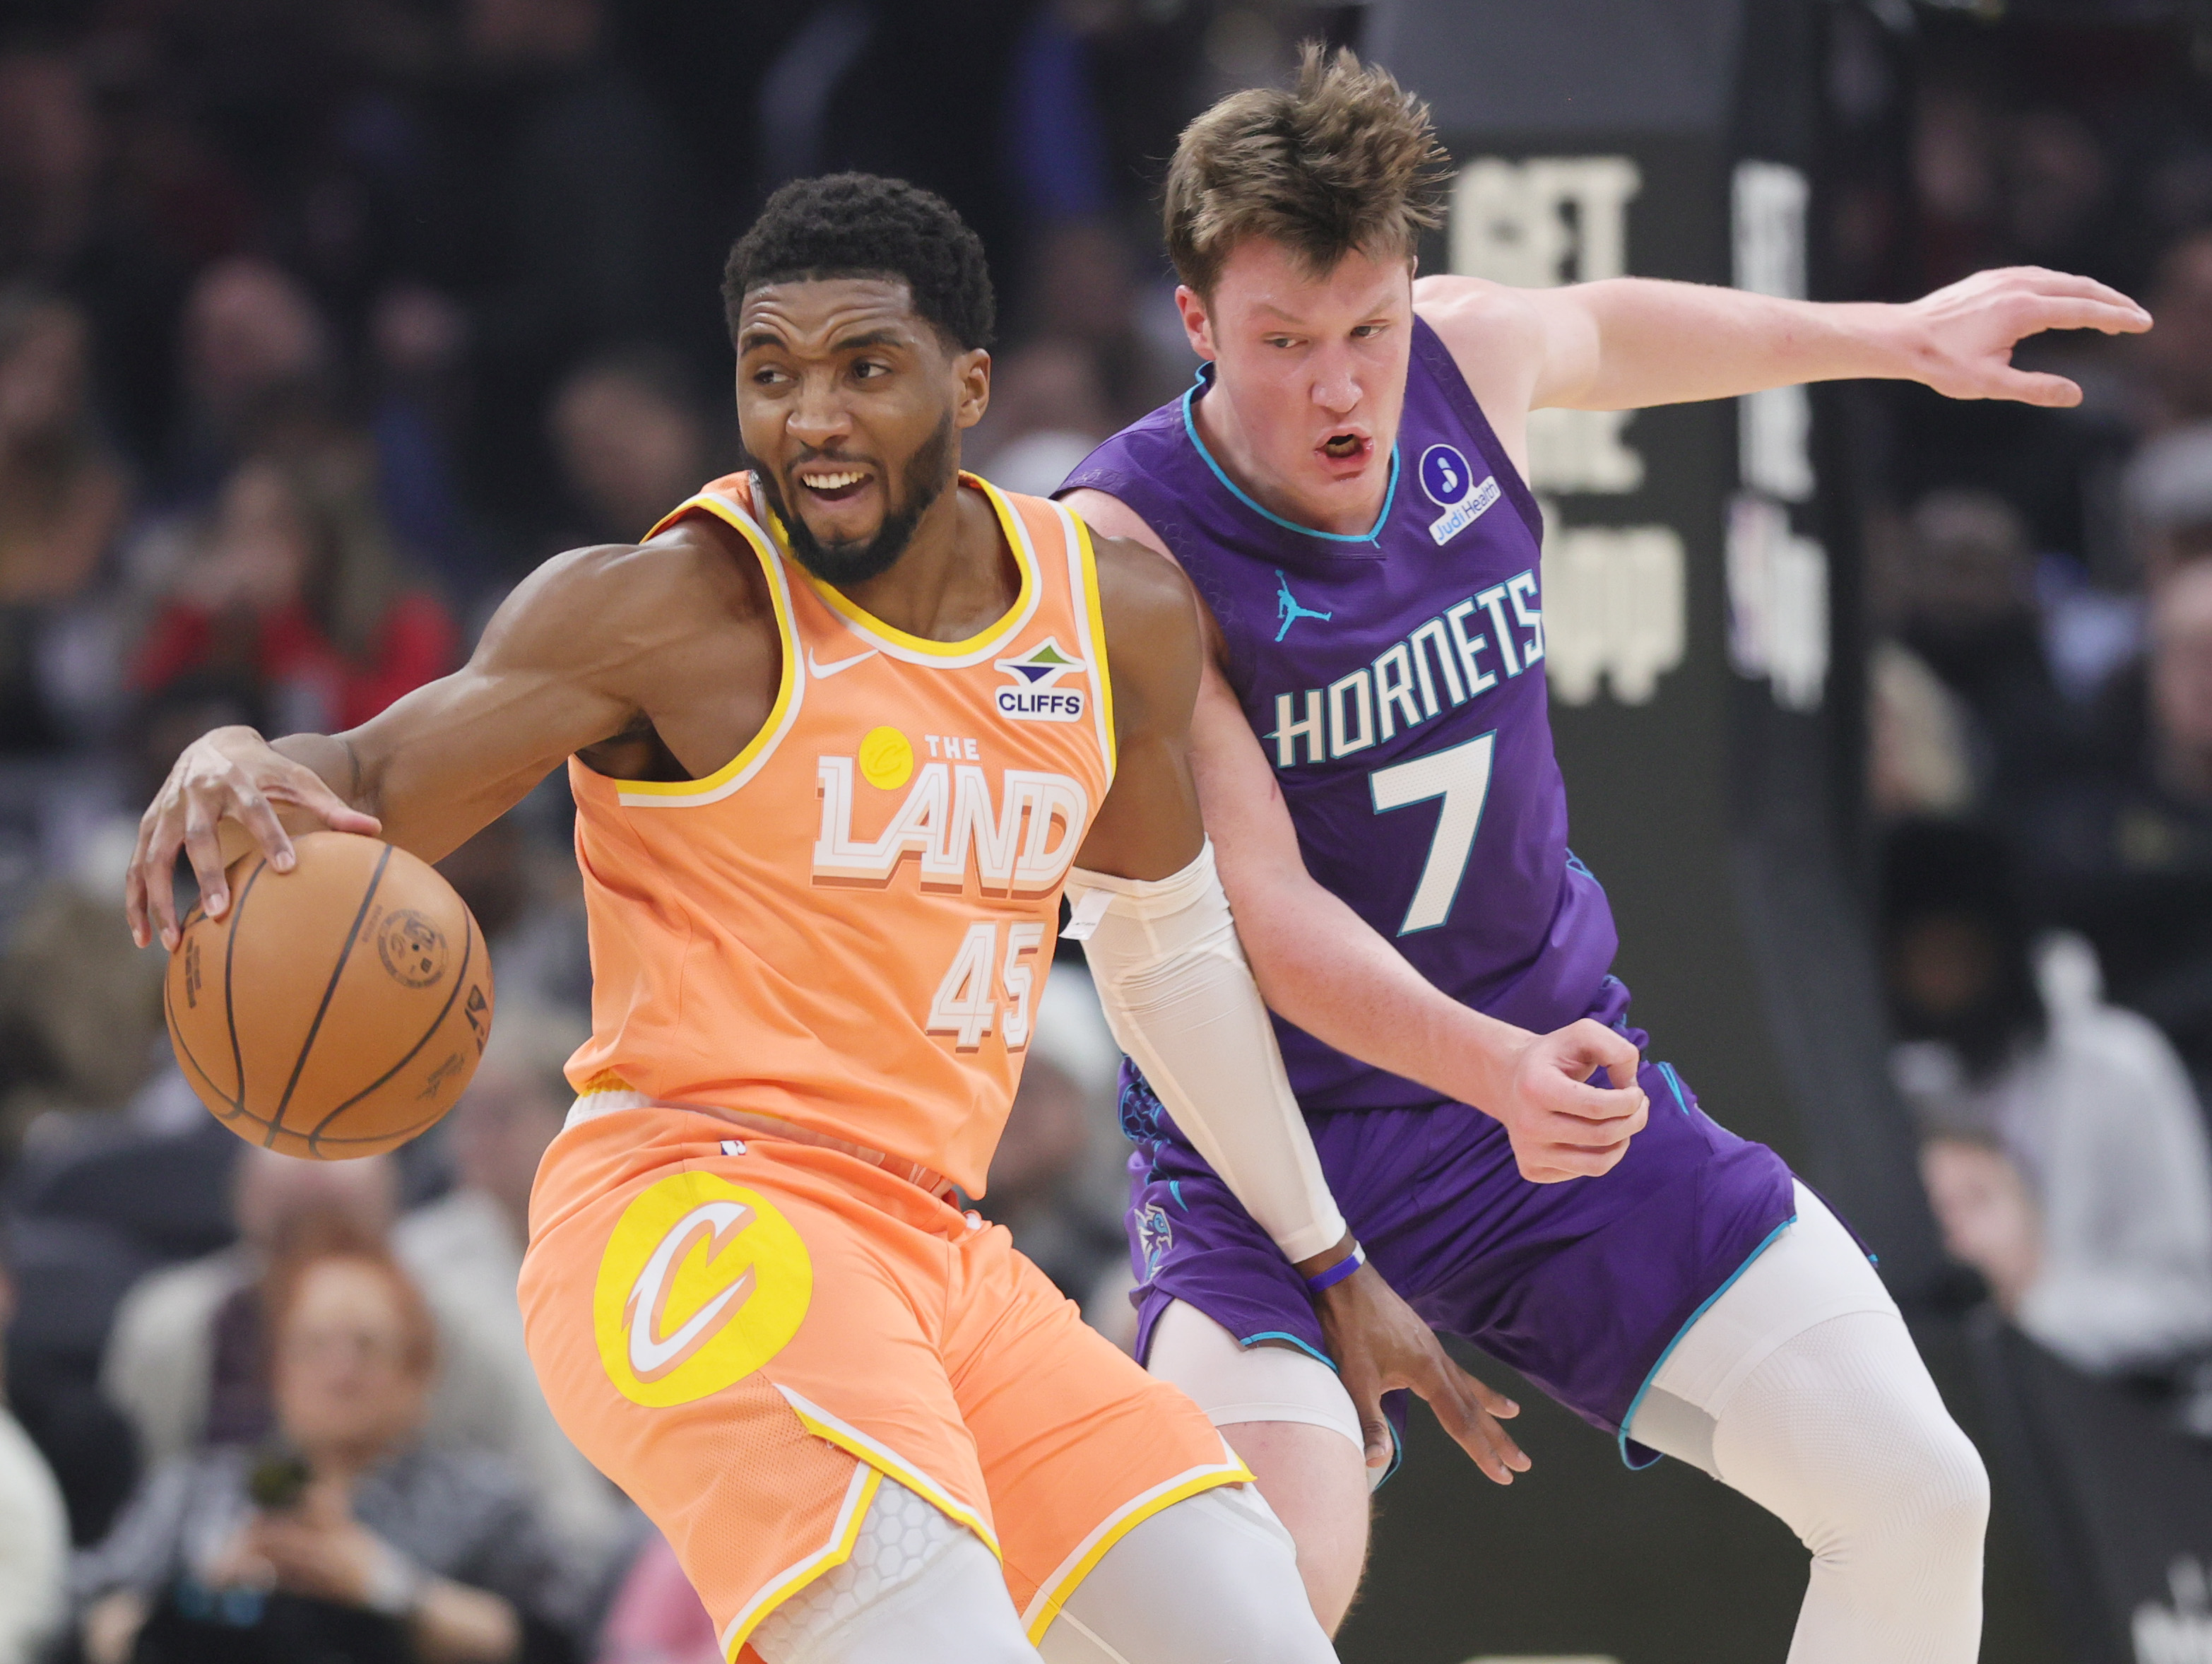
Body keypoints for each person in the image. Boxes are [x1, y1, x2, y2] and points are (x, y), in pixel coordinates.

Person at [124, 174, 1338, 1664]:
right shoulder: (668, 611)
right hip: (692, 1207)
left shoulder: (1111, 619)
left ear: (967, 385)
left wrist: (1325, 1255)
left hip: (935, 1248)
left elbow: (1167, 947)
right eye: (772, 375)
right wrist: (235, 752)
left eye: (863, 370)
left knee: (1260, 1634)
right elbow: (368, 779)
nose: (811, 417)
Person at [1055, 45, 2151, 1662]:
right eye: (1284, 342)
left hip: (1548, 1099)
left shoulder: (1464, 360)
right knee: (1261, 1604)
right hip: (1275, 1151)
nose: (1340, 387)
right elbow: (1262, 916)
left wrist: (1892, 337)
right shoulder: (1125, 539)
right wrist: (1492, 1066)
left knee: (1918, 1492)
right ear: (1197, 323)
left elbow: (1608, 329)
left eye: (1368, 329)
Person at [75, 1239, 578, 1664]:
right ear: (277, 1372)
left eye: (366, 1346)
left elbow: (547, 1638)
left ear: (417, 1375)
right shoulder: (197, 1488)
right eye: (314, 1345)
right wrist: (207, 1597)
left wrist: (386, 1586)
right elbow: (94, 1613)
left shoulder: (482, 1500)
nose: (340, 1370)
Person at [1887, 818, 2212, 1373]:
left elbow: (2193, 1295)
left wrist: (2022, 1316)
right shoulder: (1902, 1082)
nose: (1940, 980)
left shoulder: (2117, 1066)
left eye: (1959, 954)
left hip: (2130, 1396)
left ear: (2003, 947)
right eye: (1921, 960)